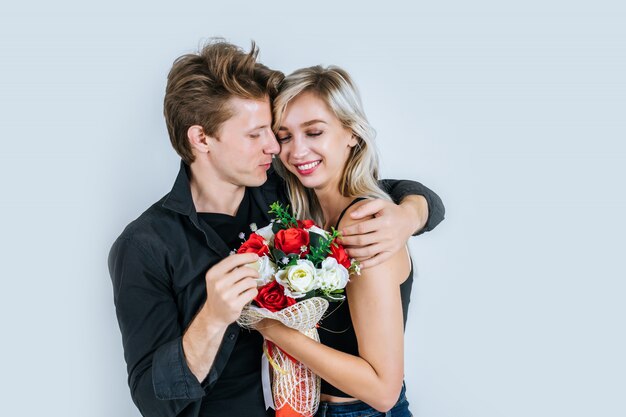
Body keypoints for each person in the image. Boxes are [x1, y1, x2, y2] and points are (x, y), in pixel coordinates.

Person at [108, 40, 444, 417]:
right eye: (256, 134)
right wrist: (213, 318)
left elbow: (363, 183)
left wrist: (412, 213)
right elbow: (154, 402)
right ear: (202, 138)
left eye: (274, 131)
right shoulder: (144, 246)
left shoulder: (288, 190)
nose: (275, 147)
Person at [256, 65, 427, 416]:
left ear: (351, 131)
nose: (297, 152)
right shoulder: (308, 216)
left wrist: (269, 327)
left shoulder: (365, 224)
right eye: (285, 136)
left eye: (314, 132)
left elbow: (383, 390)